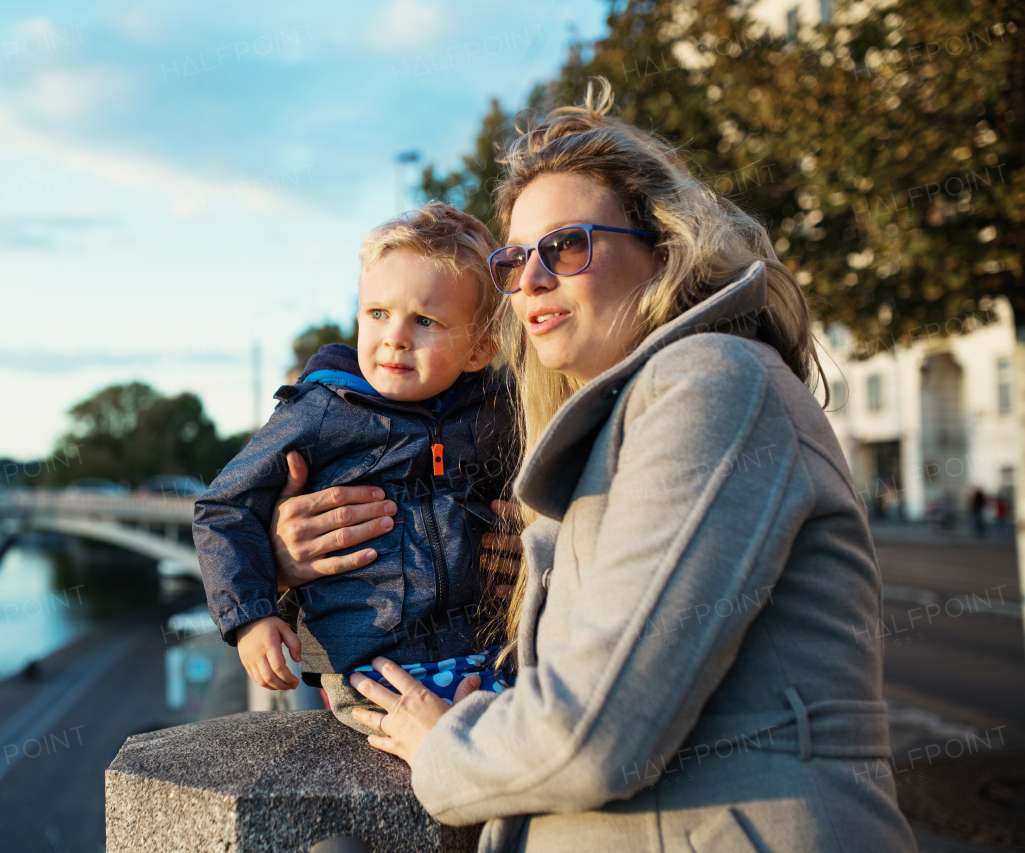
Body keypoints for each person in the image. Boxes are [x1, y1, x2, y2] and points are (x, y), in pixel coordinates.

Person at [267, 79, 917, 851]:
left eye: (565, 245)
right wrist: (293, 563)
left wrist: (445, 746)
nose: (531, 279)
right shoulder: (616, 426)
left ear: (663, 245)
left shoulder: (711, 381)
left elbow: (599, 728)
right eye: (513, 261)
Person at [193, 202, 518, 734]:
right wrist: (252, 617)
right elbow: (225, 508)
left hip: (485, 652)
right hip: (371, 667)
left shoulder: (495, 413)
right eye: (378, 313)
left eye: (427, 321)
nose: (395, 336)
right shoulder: (322, 409)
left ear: (480, 349)